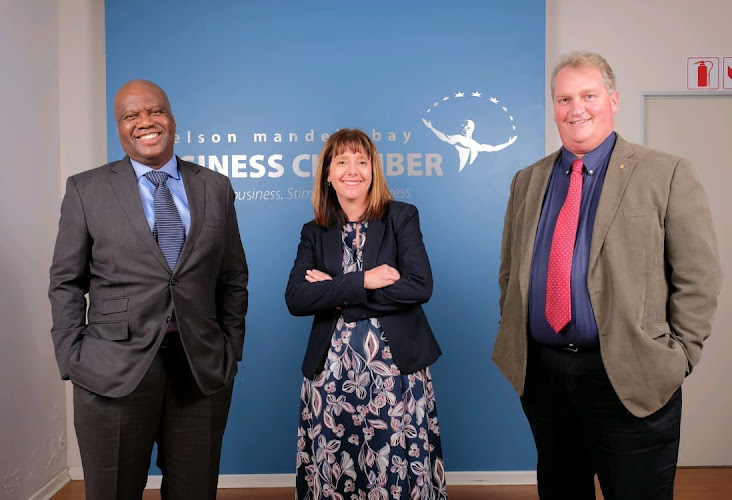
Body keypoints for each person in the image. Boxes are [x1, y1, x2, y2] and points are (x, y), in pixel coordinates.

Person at [492, 51, 720, 499]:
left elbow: (698, 277)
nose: (576, 108)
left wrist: (680, 357)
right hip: (545, 376)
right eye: (564, 99)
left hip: (631, 374)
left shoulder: (665, 172)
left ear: (613, 100)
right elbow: (509, 273)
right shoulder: (527, 180)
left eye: (588, 95)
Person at [49, 79, 248, 499]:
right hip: (110, 371)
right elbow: (66, 281)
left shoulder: (215, 187)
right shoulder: (86, 189)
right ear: (118, 127)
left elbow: (233, 278)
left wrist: (230, 349)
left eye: (155, 111)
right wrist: (72, 357)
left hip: (200, 370)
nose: (145, 122)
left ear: (172, 119)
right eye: (131, 115)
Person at [286, 128, 447, 500]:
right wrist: (365, 279)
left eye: (361, 161)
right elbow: (296, 298)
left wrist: (338, 292)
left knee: (395, 470)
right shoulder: (314, 232)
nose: (352, 170)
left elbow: (419, 286)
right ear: (328, 174)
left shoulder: (401, 217)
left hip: (396, 375)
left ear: (373, 171)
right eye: (341, 161)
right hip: (331, 378)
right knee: (337, 467)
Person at [422, 117, 517, 171]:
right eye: (464, 125)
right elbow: (444, 137)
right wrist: (431, 127)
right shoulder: (457, 138)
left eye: (468, 126)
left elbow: (493, 148)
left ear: (472, 129)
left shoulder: (475, 144)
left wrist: (508, 143)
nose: (465, 128)